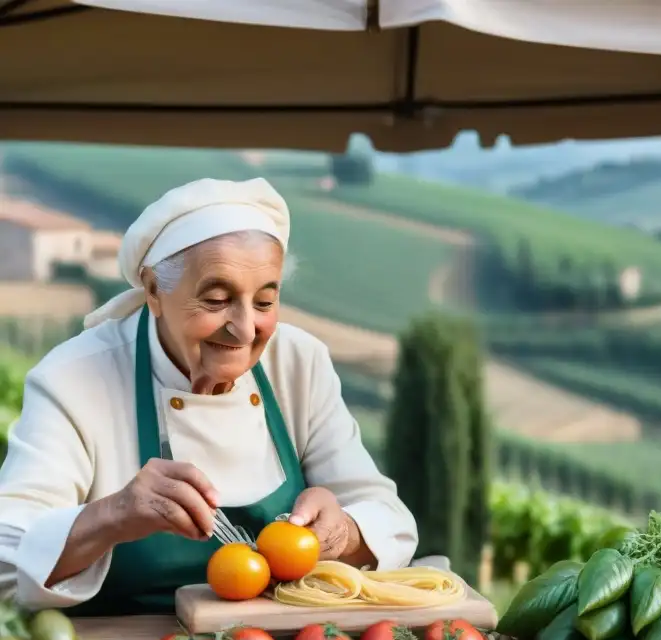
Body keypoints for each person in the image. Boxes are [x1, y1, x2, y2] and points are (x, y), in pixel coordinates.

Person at [0, 178, 418, 615]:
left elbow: (390, 521)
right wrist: (114, 515)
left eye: (263, 303)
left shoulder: (298, 362)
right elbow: (7, 561)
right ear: (154, 291)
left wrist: (343, 533)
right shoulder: (73, 378)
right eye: (217, 300)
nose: (244, 329)